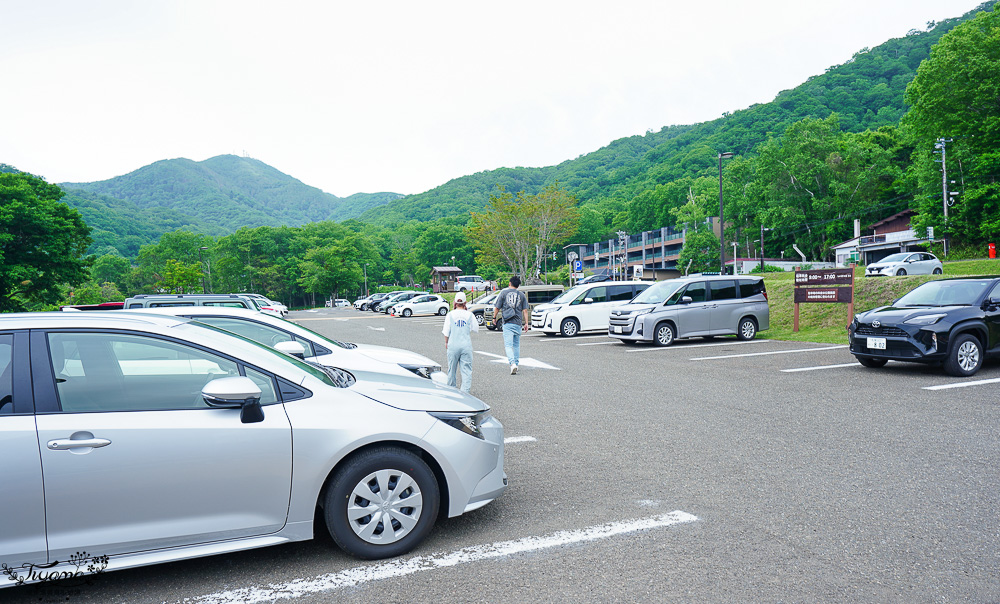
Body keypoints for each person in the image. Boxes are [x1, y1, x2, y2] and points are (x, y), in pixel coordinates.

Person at [442, 291, 478, 392]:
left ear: (455, 302)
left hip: (453, 344)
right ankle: (465, 393)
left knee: (451, 369)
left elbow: (446, 332)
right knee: (466, 370)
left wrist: (446, 342)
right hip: (466, 345)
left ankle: (451, 390)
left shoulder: (450, 315)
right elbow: (476, 328)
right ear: (465, 302)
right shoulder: (469, 315)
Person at [493, 275, 529, 375]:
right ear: (518, 286)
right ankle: (516, 364)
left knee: (508, 345)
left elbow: (497, 307)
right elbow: (525, 310)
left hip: (507, 322)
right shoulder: (521, 295)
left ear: (510, 283)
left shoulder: (503, 293)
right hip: (518, 323)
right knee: (516, 345)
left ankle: (512, 364)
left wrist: (494, 317)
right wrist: (526, 323)